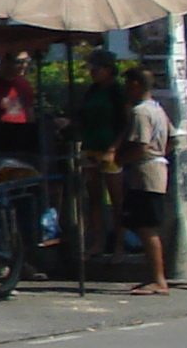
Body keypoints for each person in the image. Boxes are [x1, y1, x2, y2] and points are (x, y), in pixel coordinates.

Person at [122, 65, 174, 295]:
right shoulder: (158, 109)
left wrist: (119, 159)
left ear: (135, 85)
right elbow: (173, 138)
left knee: (146, 227)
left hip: (145, 172)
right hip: (159, 167)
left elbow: (140, 146)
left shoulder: (141, 112)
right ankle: (154, 276)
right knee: (146, 225)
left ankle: (158, 278)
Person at [74, 51, 127, 254]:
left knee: (116, 200)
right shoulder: (92, 90)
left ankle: (120, 244)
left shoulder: (117, 91)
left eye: (96, 69)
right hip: (90, 147)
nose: (92, 73)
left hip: (110, 149)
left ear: (108, 70)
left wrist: (114, 148)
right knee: (94, 198)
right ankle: (97, 242)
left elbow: (125, 122)